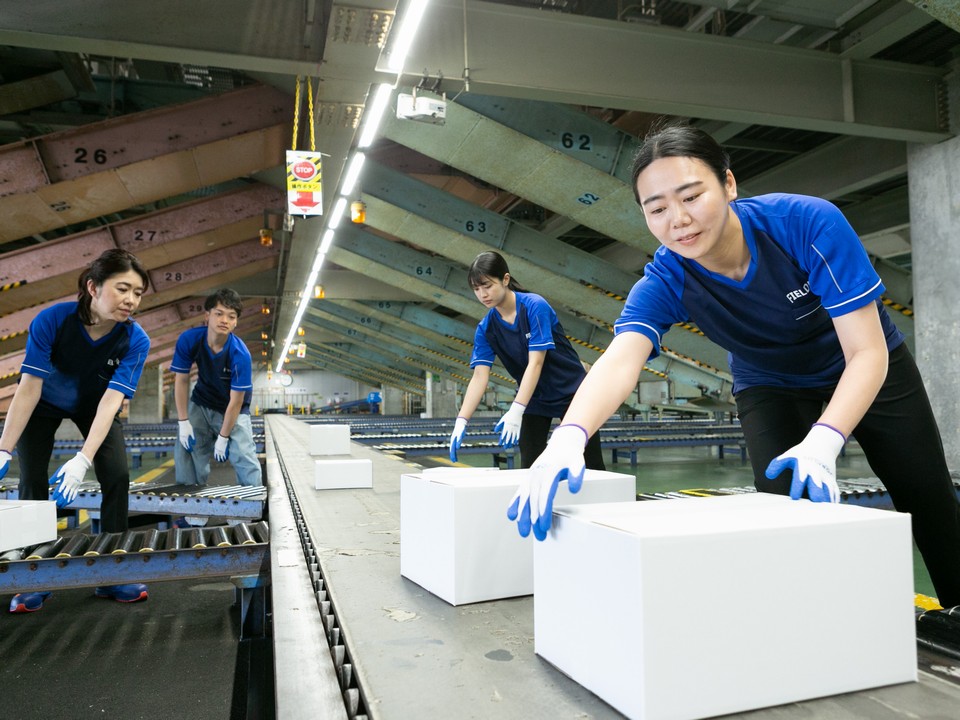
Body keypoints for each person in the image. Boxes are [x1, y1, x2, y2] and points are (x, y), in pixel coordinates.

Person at [507, 122, 960, 610]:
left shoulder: (806, 224)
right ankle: (814, 621)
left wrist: (827, 438)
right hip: (768, 380)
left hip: (863, 362)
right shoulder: (667, 278)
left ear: (728, 184)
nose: (677, 219)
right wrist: (570, 436)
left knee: (926, 494)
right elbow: (621, 359)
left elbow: (867, 353)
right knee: (782, 509)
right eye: (656, 209)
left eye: (691, 196)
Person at [0, 249, 152, 612]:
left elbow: (111, 401)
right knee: (32, 477)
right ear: (93, 287)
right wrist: (3, 448)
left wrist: (84, 458)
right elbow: (29, 386)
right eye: (123, 289)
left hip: (94, 404)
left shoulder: (135, 339)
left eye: (138, 292)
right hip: (44, 404)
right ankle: (35, 574)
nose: (131, 299)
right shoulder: (51, 320)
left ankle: (113, 569)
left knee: (116, 474)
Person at [449, 251, 605, 473]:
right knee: (529, 464)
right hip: (534, 397)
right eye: (476, 289)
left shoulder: (534, 306)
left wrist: (515, 410)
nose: (483, 294)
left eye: (487, 285)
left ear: (505, 279)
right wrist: (461, 420)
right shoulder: (486, 328)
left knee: (592, 464)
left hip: (572, 392)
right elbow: (479, 376)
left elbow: (536, 363)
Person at [171, 288, 262, 490]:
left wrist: (223, 437)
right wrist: (183, 421)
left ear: (236, 322)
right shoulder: (189, 340)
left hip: (233, 409)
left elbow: (236, 400)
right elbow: (182, 381)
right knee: (186, 448)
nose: (224, 320)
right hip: (201, 402)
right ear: (207, 316)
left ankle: (251, 508)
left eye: (231, 316)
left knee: (243, 455)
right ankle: (193, 507)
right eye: (218, 313)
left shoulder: (240, 354)